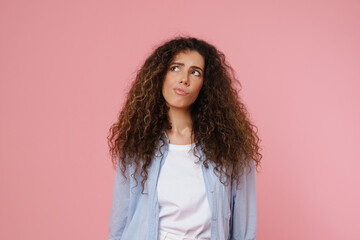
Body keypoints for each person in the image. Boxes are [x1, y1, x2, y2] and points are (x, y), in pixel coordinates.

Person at [107, 36, 262, 240]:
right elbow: (120, 221)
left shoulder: (230, 147)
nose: (184, 79)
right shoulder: (138, 145)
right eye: (175, 68)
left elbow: (244, 227)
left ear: (205, 84)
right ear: (159, 75)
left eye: (195, 72)